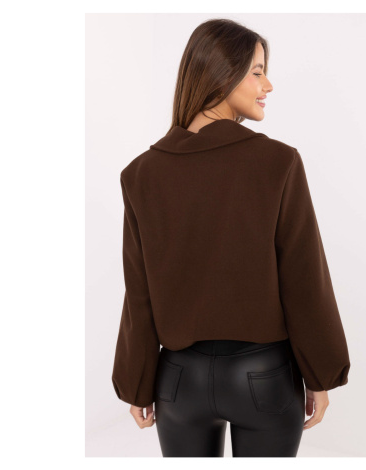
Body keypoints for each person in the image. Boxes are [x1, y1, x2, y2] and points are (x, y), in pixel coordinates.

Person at [111, 18, 350, 457]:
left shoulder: (141, 173)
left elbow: (139, 293)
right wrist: (320, 374)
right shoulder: (277, 162)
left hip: (178, 381)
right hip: (263, 377)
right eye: (257, 72)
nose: (268, 85)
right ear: (222, 75)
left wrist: (137, 382)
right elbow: (303, 280)